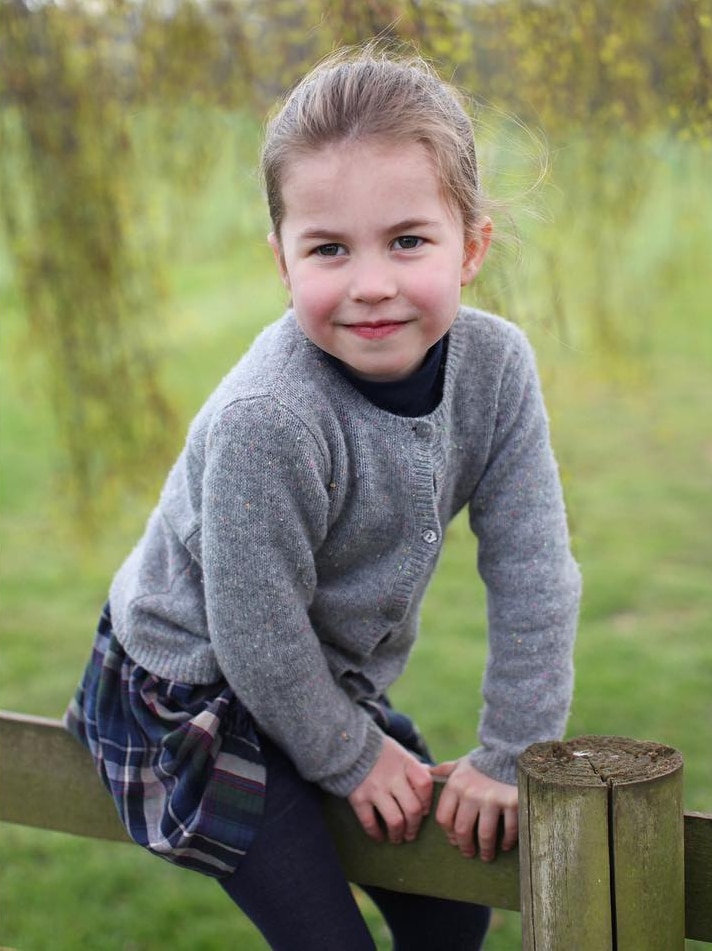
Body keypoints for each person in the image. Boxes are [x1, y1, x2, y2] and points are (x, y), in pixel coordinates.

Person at [64, 45, 581, 950]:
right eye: (330, 248)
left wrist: (507, 755)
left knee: (455, 903)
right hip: (189, 690)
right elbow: (253, 630)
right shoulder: (271, 417)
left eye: (408, 239)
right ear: (282, 259)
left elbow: (535, 573)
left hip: (313, 673)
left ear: (472, 245)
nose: (371, 283)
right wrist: (351, 755)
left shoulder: (497, 373)